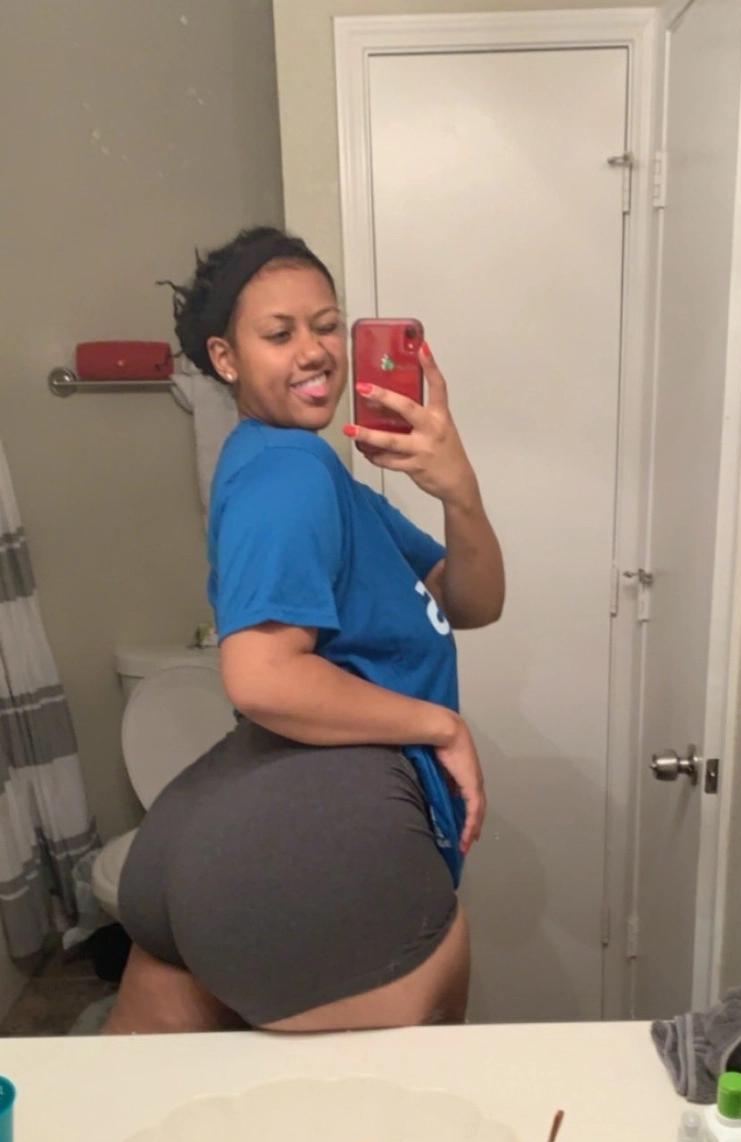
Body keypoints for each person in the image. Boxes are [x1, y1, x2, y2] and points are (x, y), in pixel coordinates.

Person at [105, 224, 504, 1035]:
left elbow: (469, 600)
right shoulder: (288, 472)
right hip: (318, 847)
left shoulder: (318, 475)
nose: (314, 350)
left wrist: (458, 489)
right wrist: (441, 725)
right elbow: (262, 676)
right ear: (226, 359)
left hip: (206, 831)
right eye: (279, 334)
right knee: (390, 1109)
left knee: (125, 1101)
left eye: (326, 326)